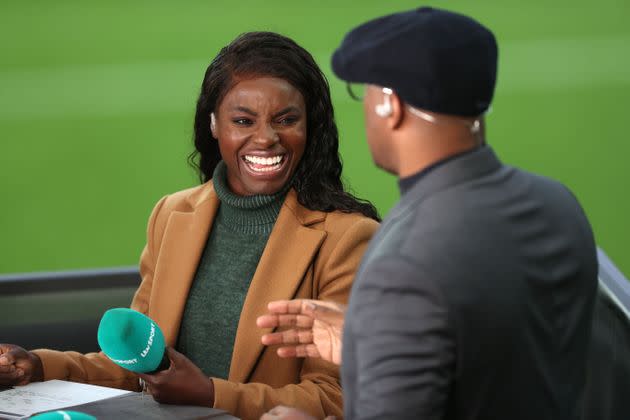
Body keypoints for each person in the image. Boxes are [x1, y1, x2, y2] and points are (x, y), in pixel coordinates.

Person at [0, 31, 380, 420]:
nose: (266, 138)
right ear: (214, 124)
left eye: (286, 120)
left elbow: (336, 396)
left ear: (309, 125)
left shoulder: (347, 239)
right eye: (243, 120)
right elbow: (138, 367)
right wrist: (39, 366)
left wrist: (210, 394)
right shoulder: (171, 214)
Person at [259, 7, 598, 420]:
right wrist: (383, 337)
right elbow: (506, 348)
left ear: (390, 105)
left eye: (365, 92)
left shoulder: (403, 264)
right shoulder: (558, 204)